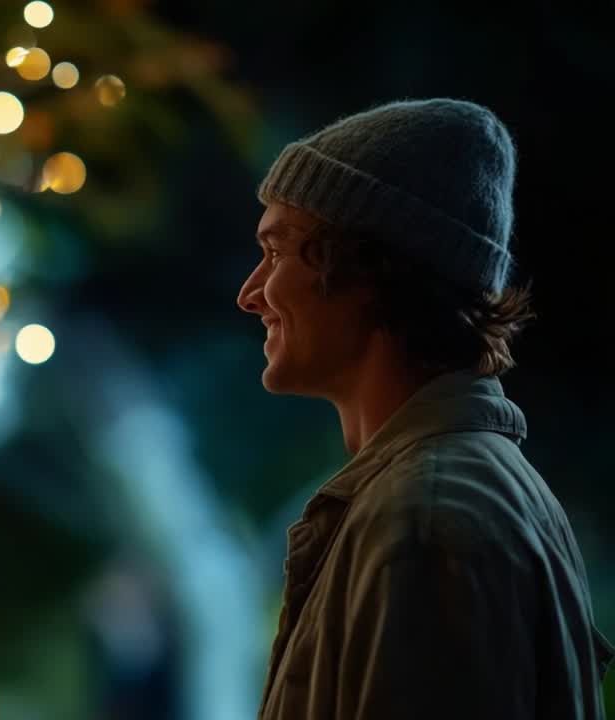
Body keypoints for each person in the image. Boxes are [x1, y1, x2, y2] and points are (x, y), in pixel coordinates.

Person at [237, 99, 612, 718]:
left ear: (367, 266)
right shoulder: (443, 493)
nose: (250, 294)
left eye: (277, 251)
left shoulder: (426, 521)